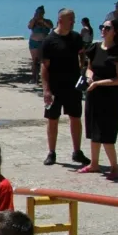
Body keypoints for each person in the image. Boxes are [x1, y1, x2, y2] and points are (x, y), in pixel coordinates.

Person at [40, 9, 90, 166]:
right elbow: (44, 67)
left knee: (75, 118)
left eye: (74, 19)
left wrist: (82, 68)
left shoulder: (76, 37)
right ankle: (51, 152)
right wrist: (46, 90)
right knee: (52, 119)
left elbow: (82, 53)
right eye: (71, 19)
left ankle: (77, 152)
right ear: (61, 20)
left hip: (73, 86)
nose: (73, 22)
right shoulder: (49, 41)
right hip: (55, 87)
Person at [80, 19, 118, 179]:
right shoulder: (95, 48)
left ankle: (114, 167)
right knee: (93, 130)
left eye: (107, 28)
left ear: (115, 31)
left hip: (111, 96)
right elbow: (89, 68)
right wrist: (89, 77)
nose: (103, 30)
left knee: (106, 133)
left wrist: (98, 83)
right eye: (102, 27)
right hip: (93, 94)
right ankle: (94, 164)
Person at [27, 6, 53, 86]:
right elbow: (29, 27)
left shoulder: (47, 21)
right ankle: (34, 78)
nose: (39, 14)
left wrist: (43, 21)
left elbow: (51, 27)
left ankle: (44, 77)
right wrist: (34, 19)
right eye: (37, 12)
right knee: (35, 60)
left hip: (43, 43)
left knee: (43, 60)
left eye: (40, 12)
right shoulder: (33, 21)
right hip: (34, 42)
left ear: (43, 13)